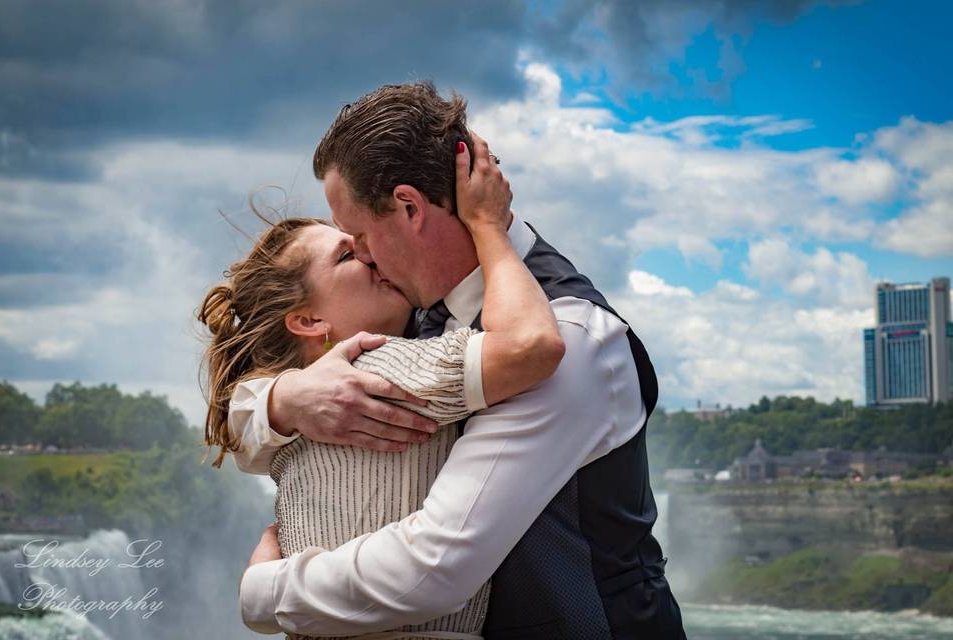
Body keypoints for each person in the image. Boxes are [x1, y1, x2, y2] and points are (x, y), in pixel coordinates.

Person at [237, 82, 687, 639]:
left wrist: (265, 591)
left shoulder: (568, 337)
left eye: (358, 236)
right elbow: (247, 430)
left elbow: (435, 567)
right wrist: (285, 401)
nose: (365, 258)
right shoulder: (417, 312)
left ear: (408, 207)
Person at [199, 136, 564, 639]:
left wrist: (279, 400)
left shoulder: (280, 403)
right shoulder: (385, 369)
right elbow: (532, 345)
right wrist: (488, 227)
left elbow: (239, 419)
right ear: (308, 320)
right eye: (348, 255)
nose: (370, 254)